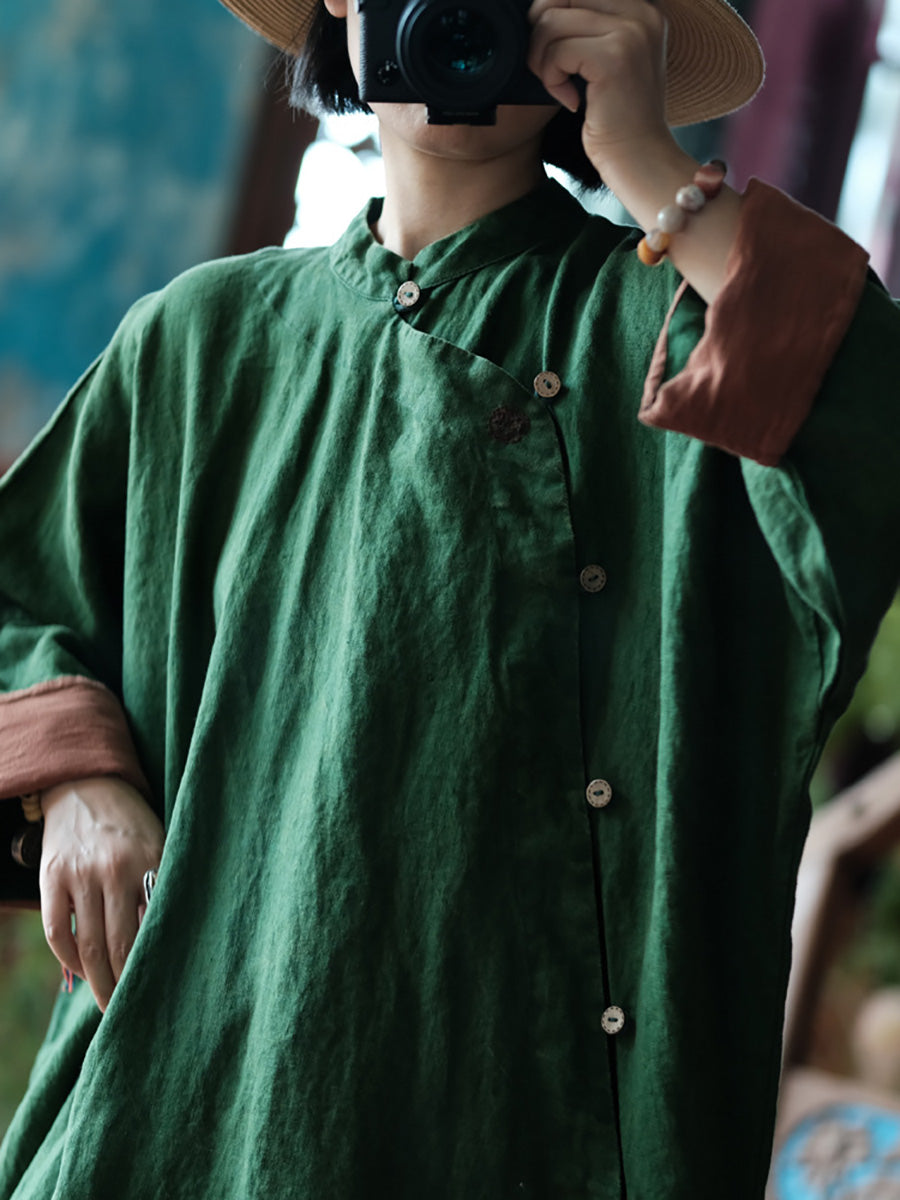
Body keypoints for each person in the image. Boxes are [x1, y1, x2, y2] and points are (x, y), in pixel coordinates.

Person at [0, 0, 897, 1195]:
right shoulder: (198, 341)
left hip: (522, 1117)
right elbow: (20, 595)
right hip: (177, 1102)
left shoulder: (672, 331)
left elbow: (872, 428)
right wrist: (76, 784)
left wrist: (649, 164)